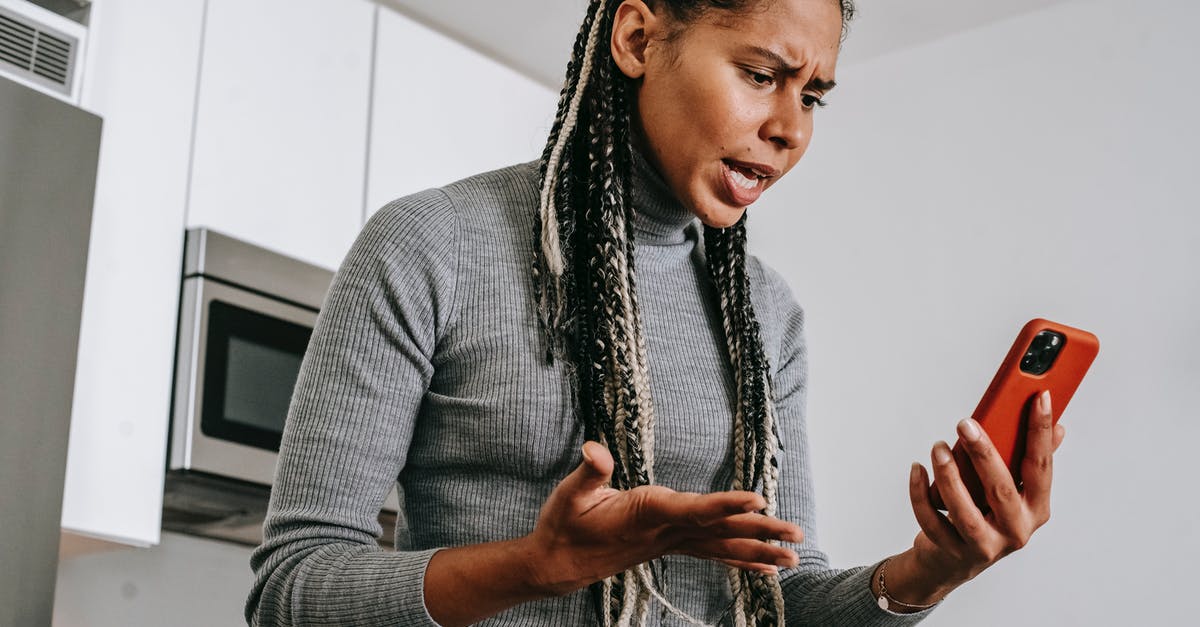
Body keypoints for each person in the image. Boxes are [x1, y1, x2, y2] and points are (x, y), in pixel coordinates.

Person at [245, 0, 1066, 625]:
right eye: (760, 75)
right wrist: (538, 564)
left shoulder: (766, 317)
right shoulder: (430, 245)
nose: (788, 128)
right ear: (637, 39)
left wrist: (924, 573)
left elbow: (779, 593)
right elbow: (293, 584)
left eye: (814, 96)